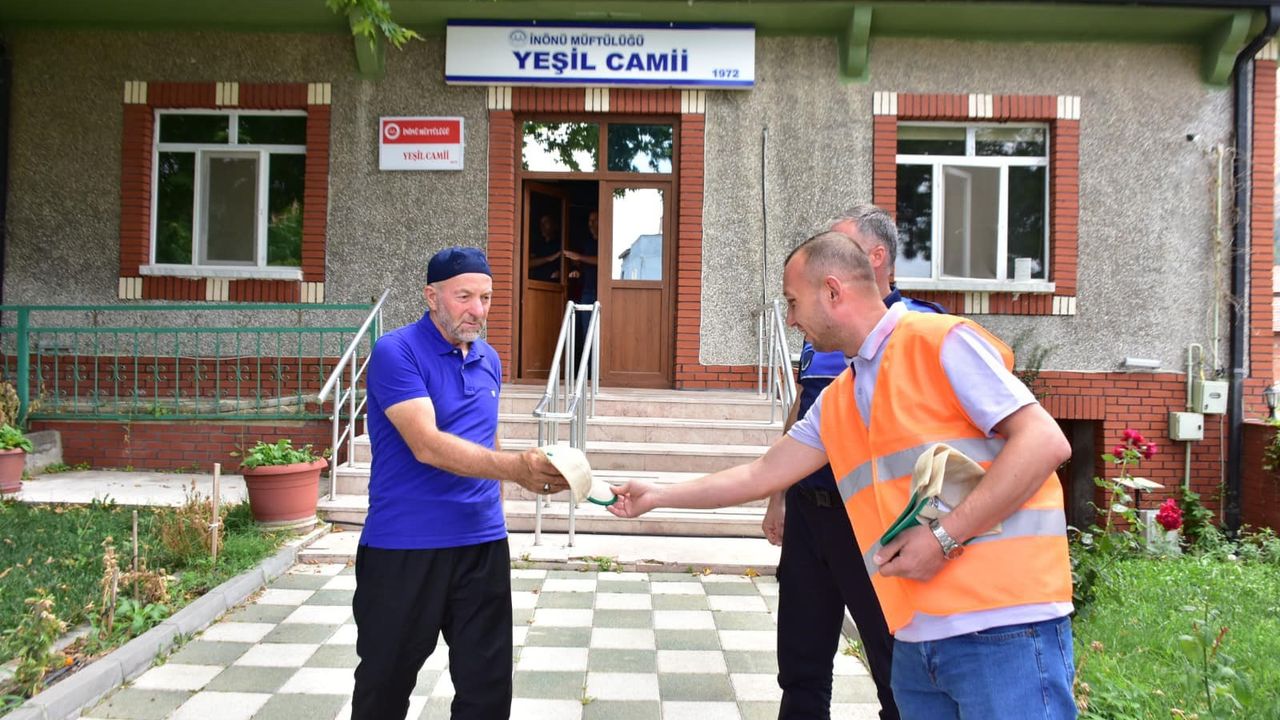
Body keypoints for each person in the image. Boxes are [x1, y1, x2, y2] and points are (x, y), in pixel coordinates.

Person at [610, 231, 1075, 719]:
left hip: (1003, 628)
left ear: (832, 291)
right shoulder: (841, 397)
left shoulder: (938, 341)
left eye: (793, 302)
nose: (790, 319)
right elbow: (761, 473)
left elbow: (1045, 441)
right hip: (918, 637)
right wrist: (657, 495)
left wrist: (943, 537)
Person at [352, 246, 569, 720]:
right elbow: (427, 444)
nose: (478, 310)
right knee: (384, 687)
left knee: (487, 690)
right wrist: (516, 468)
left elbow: (487, 437)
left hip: (482, 544)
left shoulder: (489, 358)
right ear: (432, 297)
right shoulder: (396, 351)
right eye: (464, 296)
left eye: (486, 298)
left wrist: (503, 501)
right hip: (405, 546)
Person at [763, 206, 942, 720]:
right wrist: (778, 497)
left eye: (840, 246)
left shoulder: (919, 327)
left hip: (869, 521)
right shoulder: (820, 329)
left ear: (876, 257)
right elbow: (805, 411)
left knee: (892, 668)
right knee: (800, 663)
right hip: (809, 511)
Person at [565, 208, 600, 364]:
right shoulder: (587, 243)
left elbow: (603, 260)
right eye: (589, 221)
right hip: (587, 291)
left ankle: (597, 369)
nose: (590, 224)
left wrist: (579, 257)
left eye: (594, 220)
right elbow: (582, 265)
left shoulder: (606, 240)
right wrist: (576, 270)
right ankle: (588, 370)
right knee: (586, 333)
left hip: (602, 291)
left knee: (599, 333)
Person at [528, 214, 562, 282]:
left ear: (554, 225)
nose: (542, 226)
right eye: (541, 223)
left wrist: (561, 273)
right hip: (536, 283)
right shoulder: (537, 244)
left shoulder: (560, 244)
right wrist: (549, 258)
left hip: (553, 284)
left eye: (546, 222)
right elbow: (528, 264)